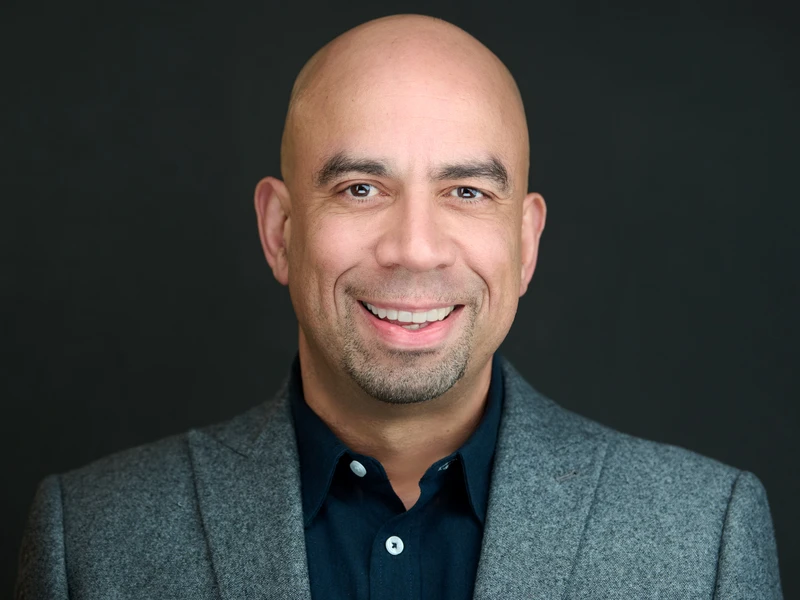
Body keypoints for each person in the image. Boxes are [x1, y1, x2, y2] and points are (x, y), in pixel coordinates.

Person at [16, 14, 781, 599]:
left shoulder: (702, 537)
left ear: (527, 242)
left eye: (466, 192)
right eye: (360, 189)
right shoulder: (90, 539)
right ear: (281, 231)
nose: (415, 248)